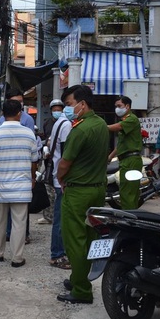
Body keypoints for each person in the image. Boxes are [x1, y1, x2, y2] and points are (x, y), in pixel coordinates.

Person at [56, 84, 109, 304]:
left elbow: (64, 163)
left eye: (69, 105)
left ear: (82, 104)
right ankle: (78, 277)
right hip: (97, 190)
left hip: (78, 192)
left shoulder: (80, 129)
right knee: (88, 239)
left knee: (74, 241)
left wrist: (60, 178)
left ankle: (81, 290)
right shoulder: (102, 125)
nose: (66, 109)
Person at [0, 99, 38, 268]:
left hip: (1, 187)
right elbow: (34, 160)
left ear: (3, 114)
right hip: (22, 187)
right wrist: (33, 178)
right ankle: (17, 258)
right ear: (20, 114)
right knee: (19, 223)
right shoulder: (29, 134)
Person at [0, 88, 41, 244]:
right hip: (6, 166)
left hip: (22, 165)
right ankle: (9, 233)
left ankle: (25, 234)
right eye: (17, 101)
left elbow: (31, 145)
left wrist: (32, 175)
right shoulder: (2, 120)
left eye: (21, 101)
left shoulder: (28, 119)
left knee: (22, 206)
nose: (20, 104)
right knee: (7, 206)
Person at [44, 99, 71, 269]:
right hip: (61, 179)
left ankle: (58, 253)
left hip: (57, 176)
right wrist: (63, 179)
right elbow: (66, 155)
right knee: (60, 219)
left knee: (59, 217)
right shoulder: (65, 125)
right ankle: (58, 255)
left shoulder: (59, 123)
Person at [107, 96, 143, 209]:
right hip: (125, 160)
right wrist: (109, 157)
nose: (117, 109)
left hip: (131, 161)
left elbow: (117, 127)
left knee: (128, 194)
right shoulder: (125, 121)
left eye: (119, 106)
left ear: (127, 106)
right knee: (125, 192)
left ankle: (130, 219)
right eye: (116, 106)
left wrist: (100, 126)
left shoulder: (132, 119)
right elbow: (120, 146)